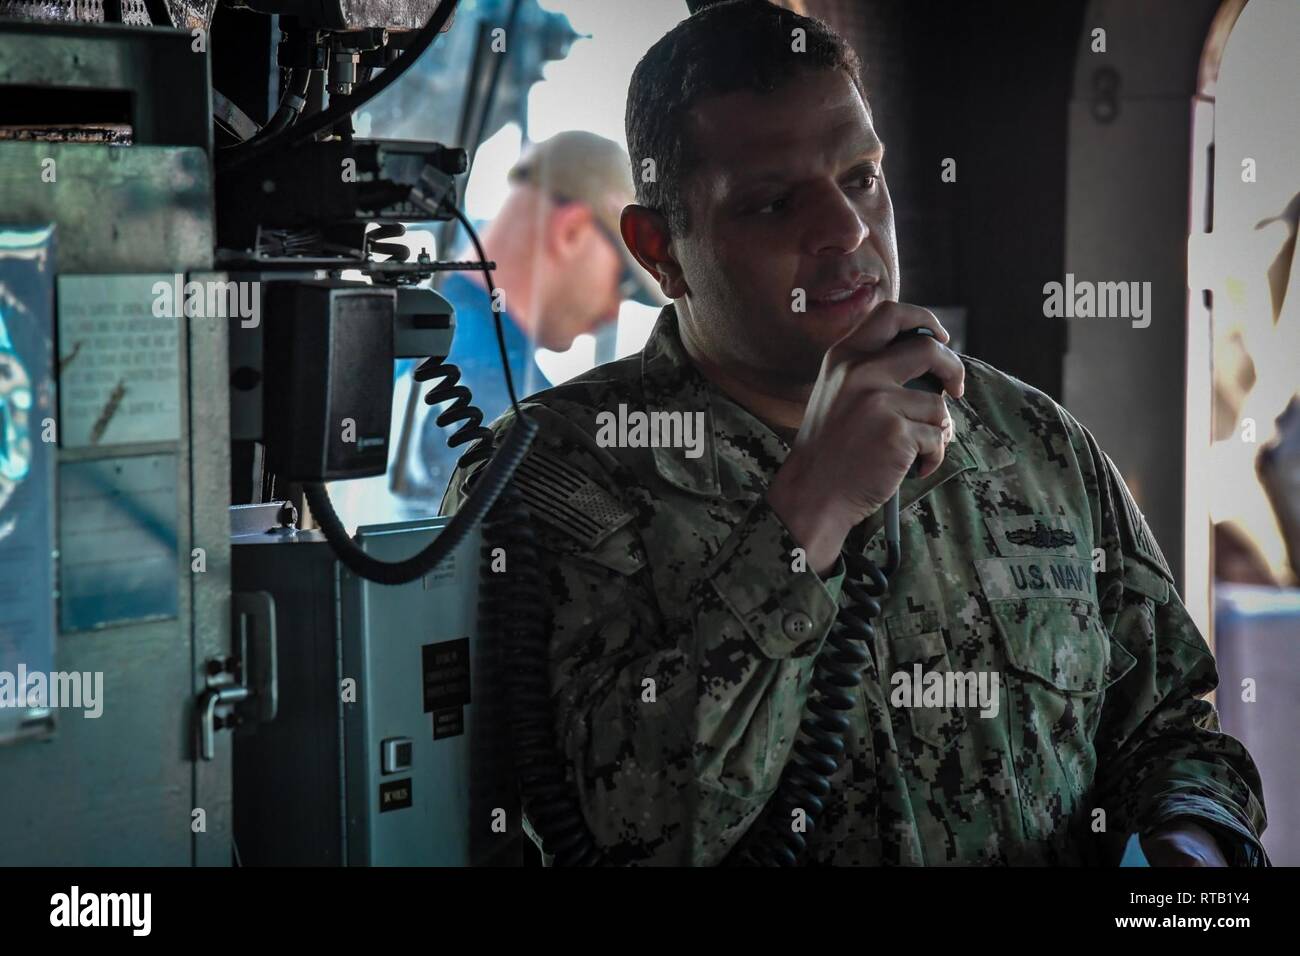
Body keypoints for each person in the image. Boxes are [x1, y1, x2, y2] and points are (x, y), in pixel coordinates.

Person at [441, 0, 1268, 866]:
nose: (844, 230)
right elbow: (630, 831)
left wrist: (1191, 849)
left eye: (861, 177)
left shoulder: (1033, 442)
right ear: (661, 251)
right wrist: (807, 515)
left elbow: (1172, 722)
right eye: (770, 204)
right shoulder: (538, 483)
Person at [395, 130, 667, 503]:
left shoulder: (383, 323)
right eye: (622, 281)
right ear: (570, 232)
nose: (613, 311)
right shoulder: (533, 415)